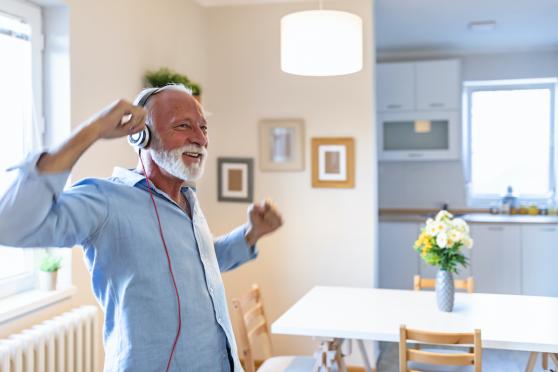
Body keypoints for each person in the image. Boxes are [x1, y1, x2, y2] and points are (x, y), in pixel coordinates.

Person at [0, 84, 283, 372]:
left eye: (203, 128)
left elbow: (202, 261)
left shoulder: (188, 198)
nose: (200, 139)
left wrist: (252, 233)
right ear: (141, 136)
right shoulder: (104, 200)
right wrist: (93, 130)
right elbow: (10, 224)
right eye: (183, 126)